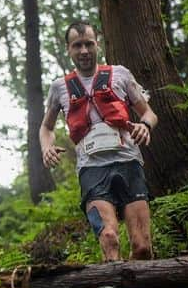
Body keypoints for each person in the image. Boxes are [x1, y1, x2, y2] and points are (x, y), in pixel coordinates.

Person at [39, 22, 158, 261]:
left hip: (129, 162)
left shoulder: (120, 74)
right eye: (77, 46)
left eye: (88, 44)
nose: (84, 51)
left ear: (97, 44)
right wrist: (46, 147)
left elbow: (149, 114)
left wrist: (144, 126)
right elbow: (46, 127)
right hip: (92, 170)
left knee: (143, 247)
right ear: (68, 49)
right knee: (109, 239)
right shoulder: (59, 87)